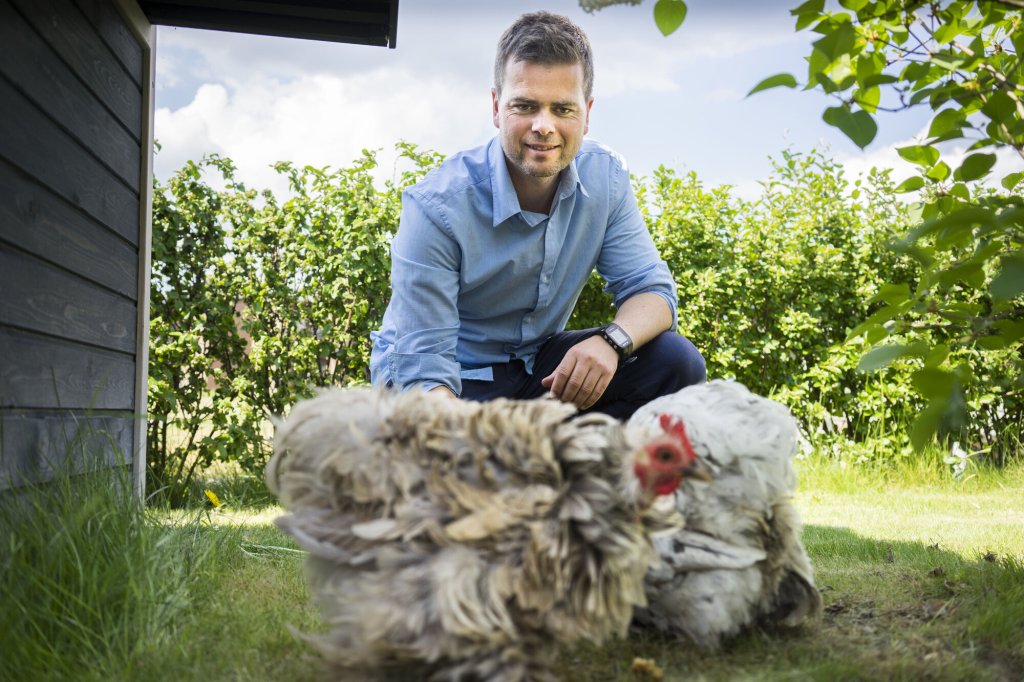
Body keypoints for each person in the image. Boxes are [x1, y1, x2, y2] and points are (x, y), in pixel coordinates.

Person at [369, 10, 705, 420]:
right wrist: (468, 442)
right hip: (444, 379)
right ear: (496, 106)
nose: (544, 126)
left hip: (535, 371)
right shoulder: (436, 208)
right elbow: (425, 370)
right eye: (525, 106)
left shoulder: (606, 179)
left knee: (675, 361)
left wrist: (611, 342)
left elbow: (654, 293)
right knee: (460, 460)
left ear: (588, 111)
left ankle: (584, 479)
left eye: (563, 109)